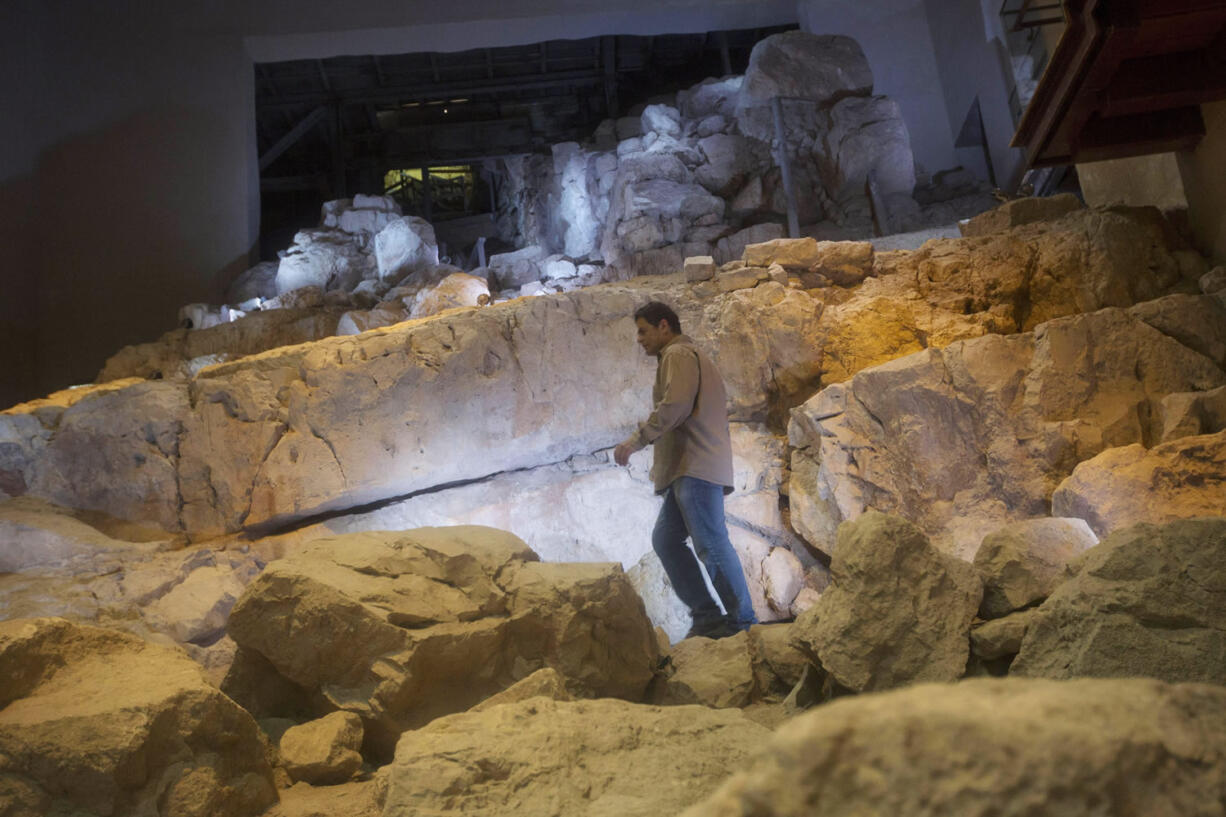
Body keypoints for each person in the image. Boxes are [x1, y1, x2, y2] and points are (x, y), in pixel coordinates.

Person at [613, 301, 757, 639]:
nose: (639, 339)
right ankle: (707, 617)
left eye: (643, 330)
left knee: (712, 544)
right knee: (666, 540)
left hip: (696, 466)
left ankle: (743, 624)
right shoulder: (678, 357)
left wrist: (636, 441)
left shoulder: (678, 355)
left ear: (665, 326)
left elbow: (674, 407)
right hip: (687, 469)